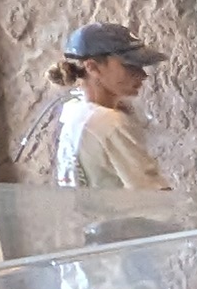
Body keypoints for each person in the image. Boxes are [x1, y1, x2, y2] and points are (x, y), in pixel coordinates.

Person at [50, 23, 170, 190]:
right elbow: (153, 195)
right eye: (130, 65)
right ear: (92, 67)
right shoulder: (109, 123)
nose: (142, 75)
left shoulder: (73, 111)